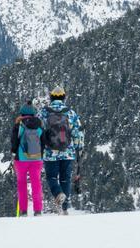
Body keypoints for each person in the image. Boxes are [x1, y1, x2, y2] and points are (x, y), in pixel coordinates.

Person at [39, 86, 84, 215]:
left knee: (52, 177)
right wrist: (79, 148)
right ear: (64, 98)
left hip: (50, 152)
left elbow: (38, 130)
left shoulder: (44, 112)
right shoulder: (70, 113)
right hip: (67, 151)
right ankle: (64, 208)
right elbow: (77, 133)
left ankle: (58, 193)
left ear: (51, 97)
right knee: (65, 178)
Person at [10, 101, 45, 217]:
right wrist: (40, 153)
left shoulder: (19, 125)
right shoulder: (39, 125)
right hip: (36, 158)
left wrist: (14, 153)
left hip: (21, 159)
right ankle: (38, 210)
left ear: (22, 113)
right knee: (36, 183)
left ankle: (24, 210)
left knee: (22, 184)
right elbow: (43, 141)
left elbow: (14, 143)